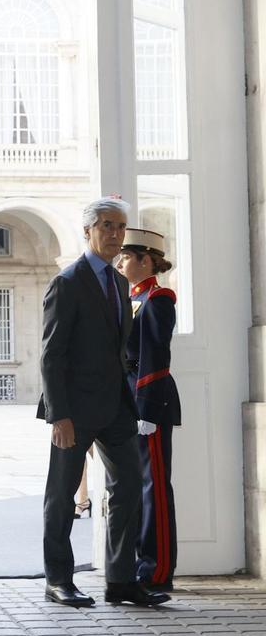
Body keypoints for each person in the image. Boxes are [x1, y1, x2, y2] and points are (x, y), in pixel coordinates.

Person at [37, 198, 170, 608]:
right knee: (62, 496)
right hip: (74, 411)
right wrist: (59, 415)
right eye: (107, 226)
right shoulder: (68, 281)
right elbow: (51, 354)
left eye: (120, 227)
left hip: (116, 407)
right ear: (88, 231)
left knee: (129, 485)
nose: (115, 234)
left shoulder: (117, 282)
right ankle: (58, 580)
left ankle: (121, 581)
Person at [117, 228, 182, 591]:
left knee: (153, 487)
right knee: (137, 486)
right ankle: (140, 562)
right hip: (128, 397)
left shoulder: (158, 298)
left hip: (148, 400)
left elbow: (156, 356)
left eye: (128, 256)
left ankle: (156, 571)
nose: (121, 261)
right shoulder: (132, 298)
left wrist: (147, 409)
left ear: (146, 260)